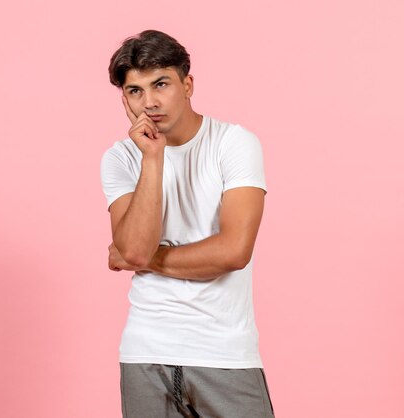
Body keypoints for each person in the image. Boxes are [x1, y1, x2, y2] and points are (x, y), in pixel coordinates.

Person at [100, 29, 274, 418]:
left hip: (224, 353)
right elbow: (131, 247)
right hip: (146, 353)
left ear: (187, 84)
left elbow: (233, 251)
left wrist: (144, 259)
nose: (150, 102)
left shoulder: (234, 143)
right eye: (135, 91)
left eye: (160, 83)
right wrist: (152, 158)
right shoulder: (121, 159)